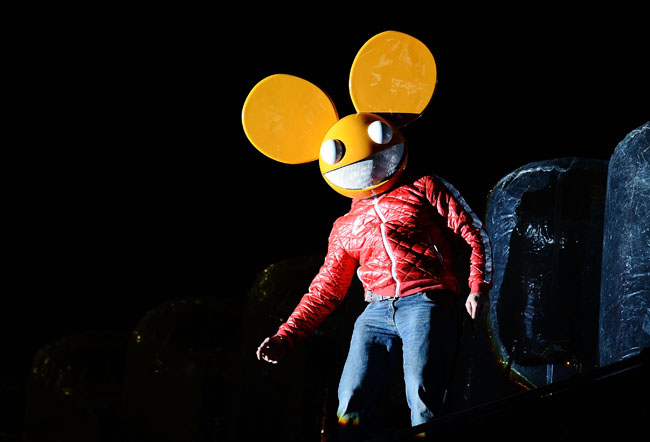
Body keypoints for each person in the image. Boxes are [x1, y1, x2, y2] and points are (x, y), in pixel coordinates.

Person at [244, 31, 492, 439]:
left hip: (425, 299)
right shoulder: (345, 226)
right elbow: (325, 289)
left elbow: (472, 231)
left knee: (424, 394)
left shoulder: (424, 188)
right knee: (352, 398)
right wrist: (285, 337)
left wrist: (477, 286)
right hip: (374, 311)